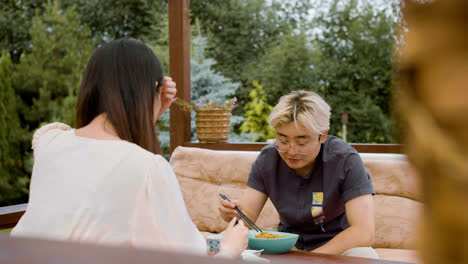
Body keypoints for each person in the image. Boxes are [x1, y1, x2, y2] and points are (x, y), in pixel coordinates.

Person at [11, 38, 248, 257]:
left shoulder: (49, 142)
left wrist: (151, 109)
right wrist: (229, 248)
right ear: (149, 91)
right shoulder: (147, 168)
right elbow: (186, 257)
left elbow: (101, 153)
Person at [219, 90, 378, 259]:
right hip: (287, 243)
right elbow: (247, 218)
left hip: (336, 245)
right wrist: (235, 214)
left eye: (302, 142)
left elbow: (363, 232)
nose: (291, 151)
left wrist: (307, 261)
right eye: (283, 140)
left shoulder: (346, 160)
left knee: (365, 256)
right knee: (223, 245)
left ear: (322, 135)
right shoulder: (267, 159)